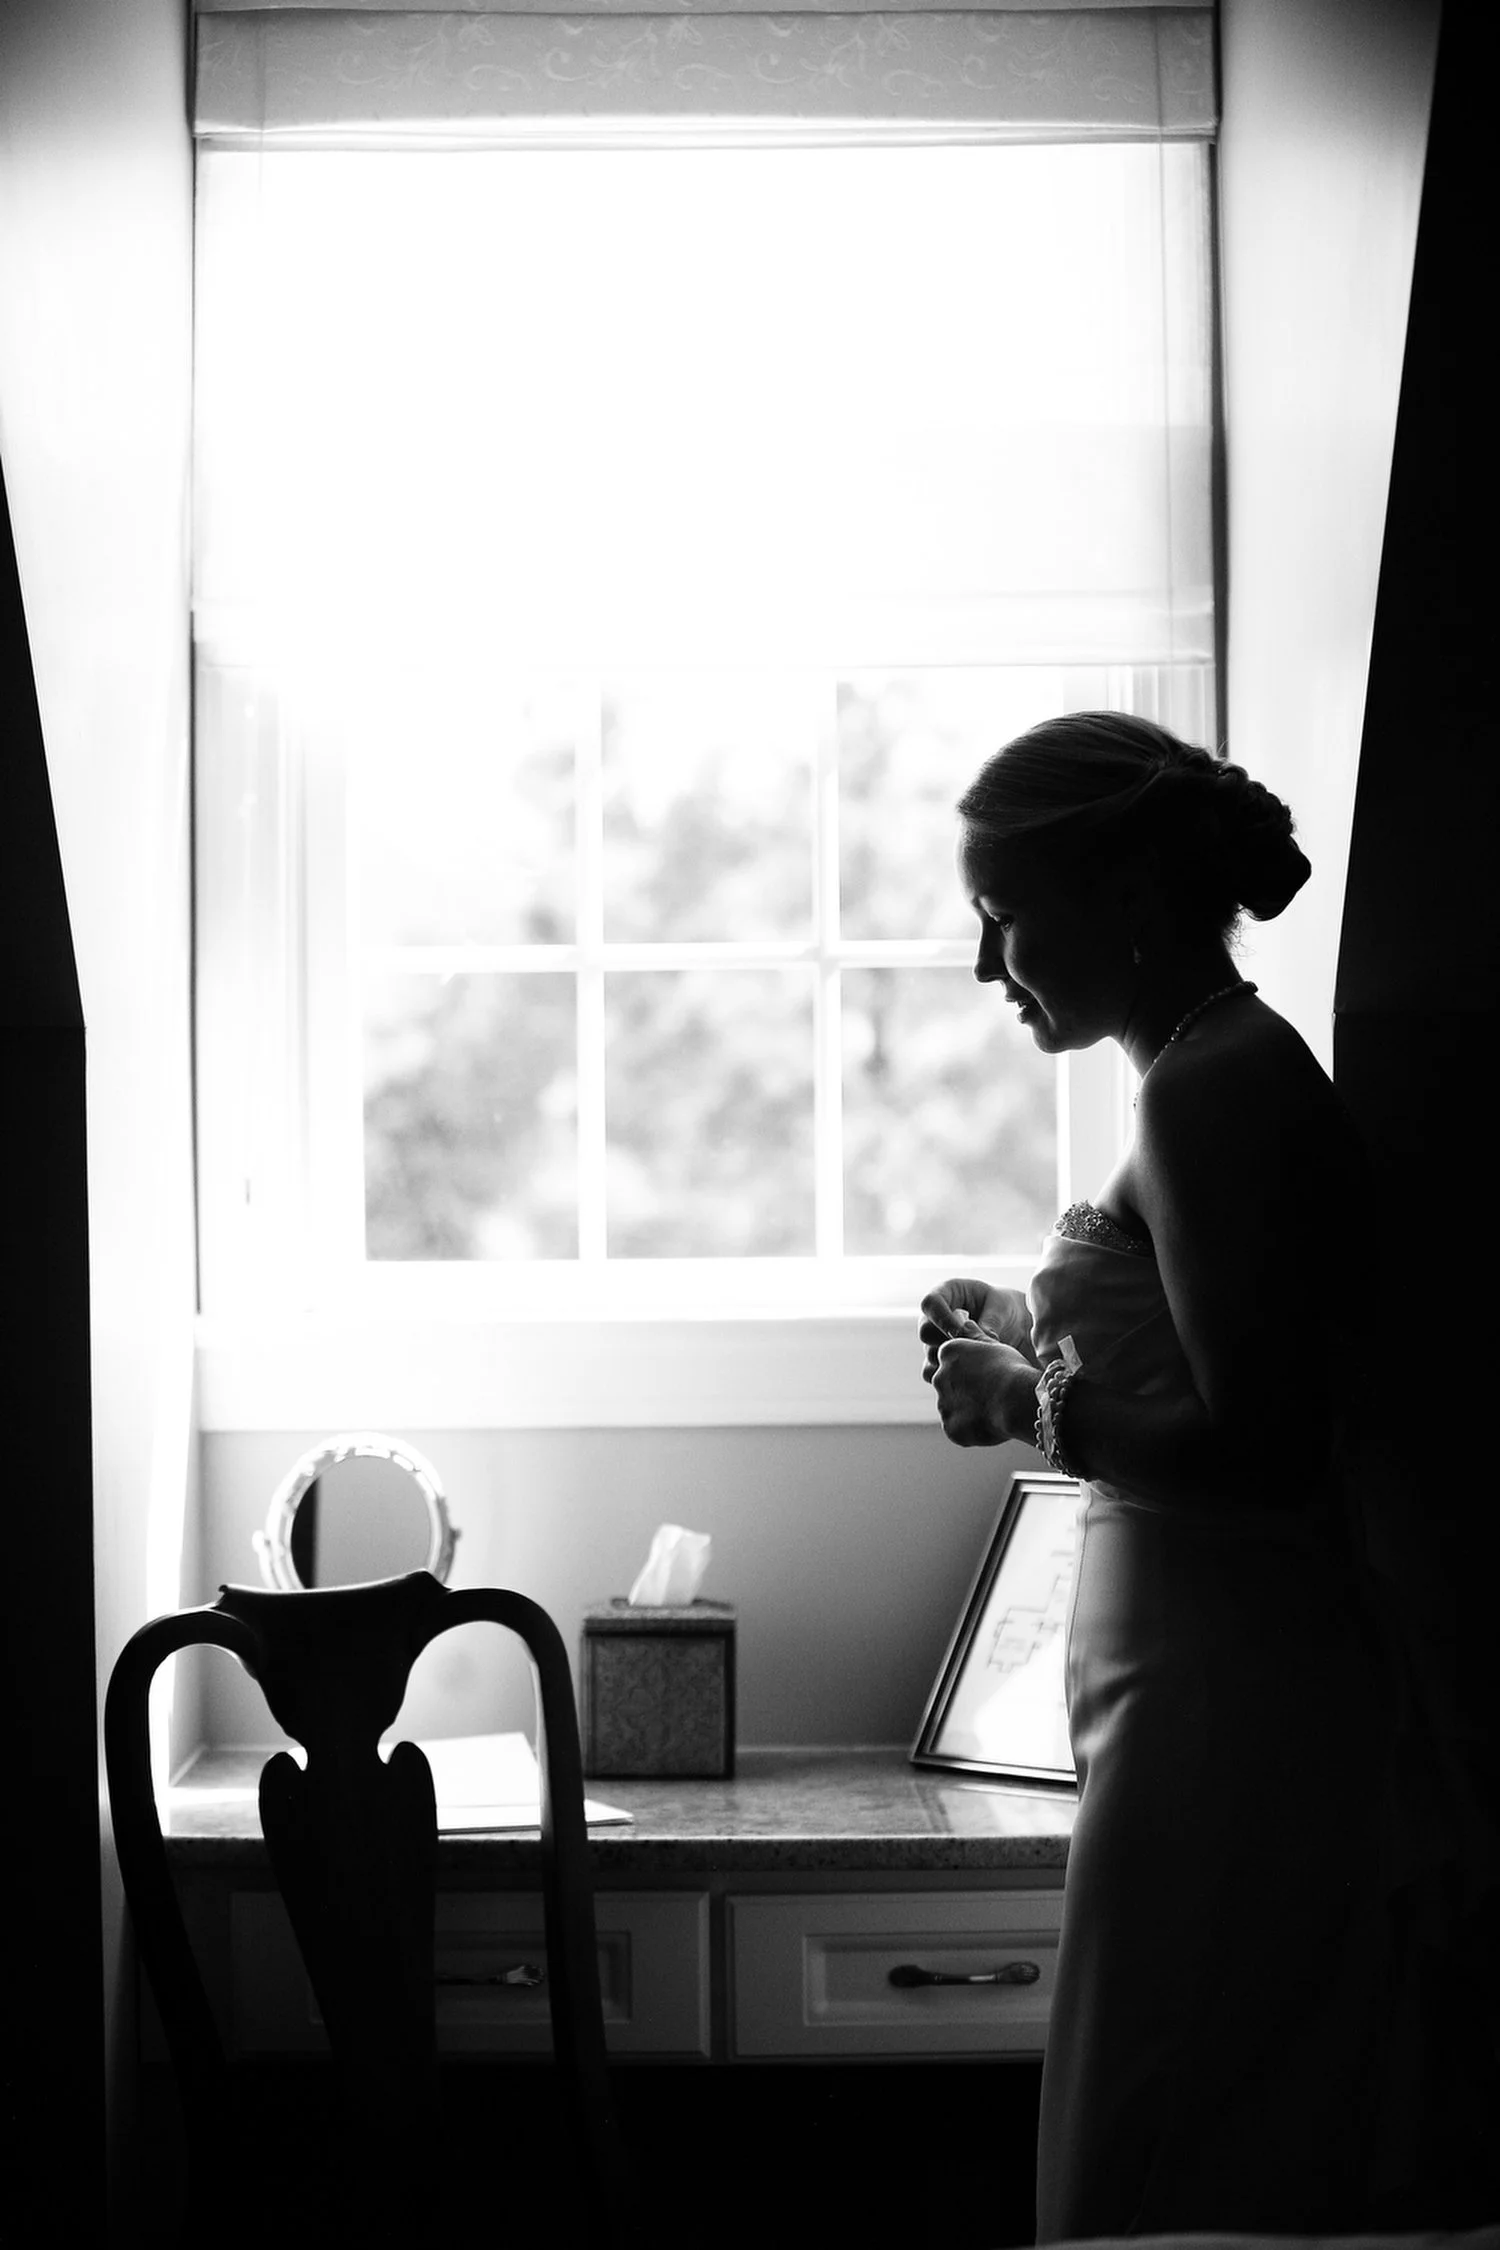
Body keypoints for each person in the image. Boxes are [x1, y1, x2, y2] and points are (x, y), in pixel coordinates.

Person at [917, 711, 1482, 2241]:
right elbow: (1197, 1350)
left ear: (1127, 898)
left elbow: (1267, 1444)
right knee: (1168, 2131)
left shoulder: (1206, 1086)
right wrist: (1035, 1327)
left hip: (1230, 1715)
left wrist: (1026, 1401)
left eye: (1003, 917)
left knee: (1166, 2157)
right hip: (1191, 1704)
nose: (987, 967)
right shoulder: (1202, 1067)